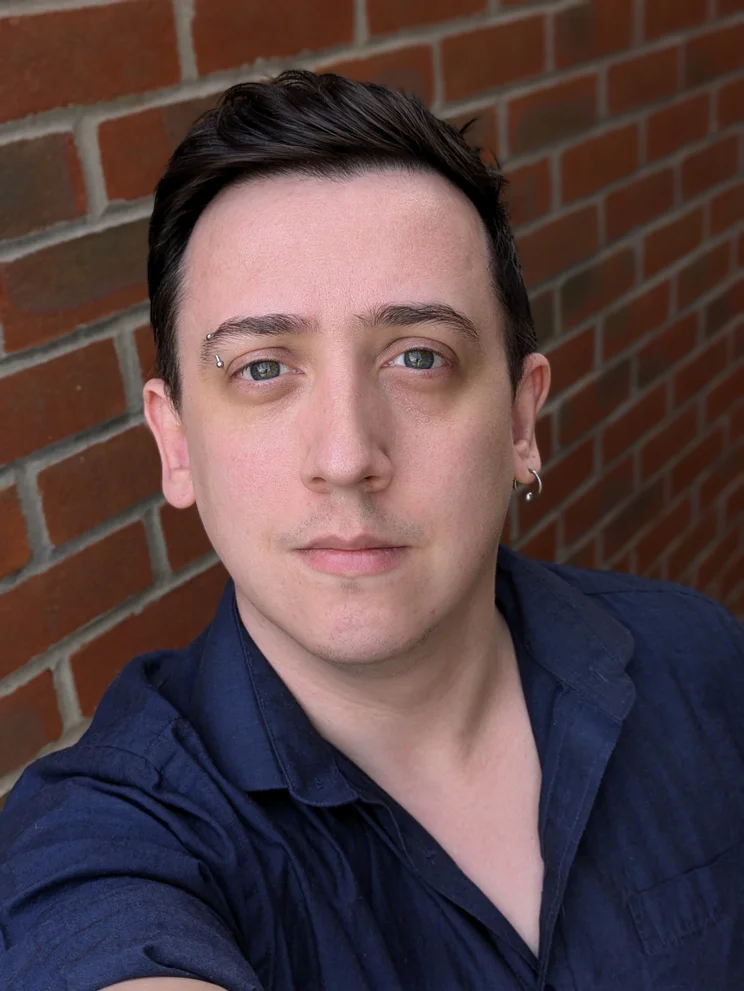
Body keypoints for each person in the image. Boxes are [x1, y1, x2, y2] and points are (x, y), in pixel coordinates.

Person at [0, 70, 742, 991]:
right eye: (265, 368)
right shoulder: (112, 837)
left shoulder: (702, 660)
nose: (347, 454)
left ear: (520, 420)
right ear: (176, 440)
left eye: (419, 357)